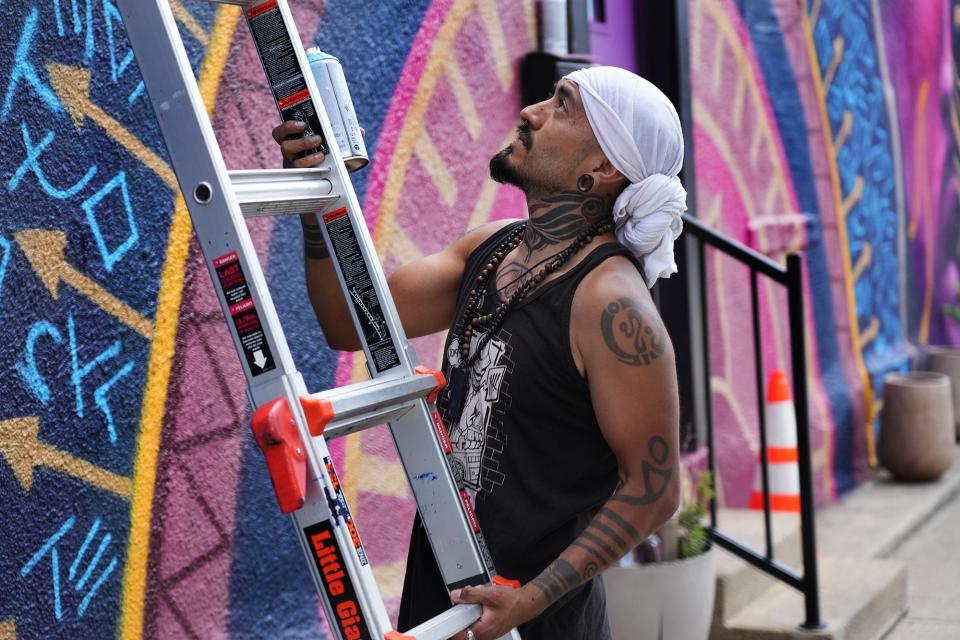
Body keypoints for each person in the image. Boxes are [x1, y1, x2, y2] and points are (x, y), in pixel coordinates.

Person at [272, 66, 685, 640]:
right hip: (439, 599)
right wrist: (316, 200)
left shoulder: (612, 305)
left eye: (561, 106)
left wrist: (528, 601)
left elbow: (655, 489)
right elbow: (348, 322)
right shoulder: (490, 251)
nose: (531, 112)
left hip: (535, 623)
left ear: (603, 168)